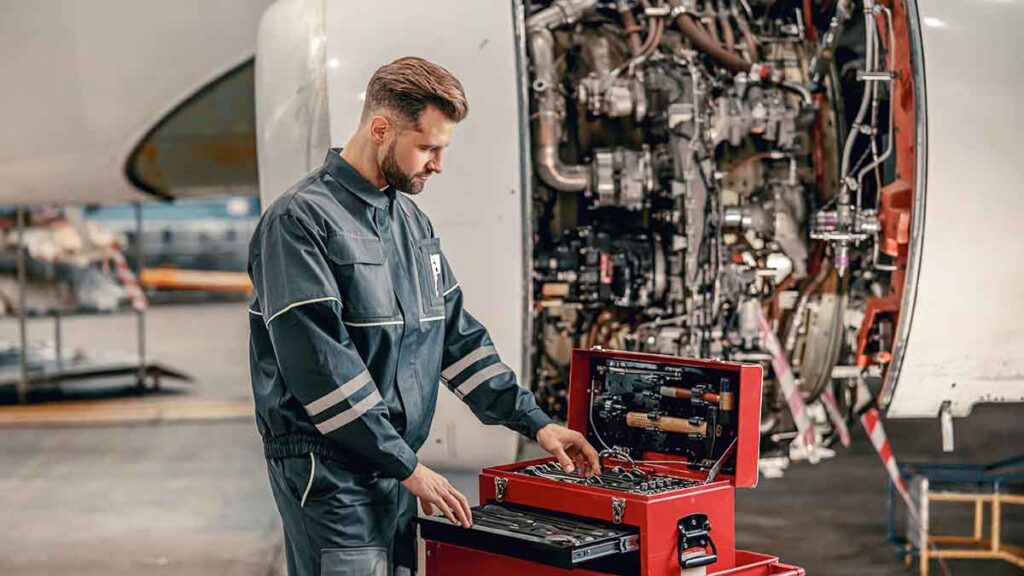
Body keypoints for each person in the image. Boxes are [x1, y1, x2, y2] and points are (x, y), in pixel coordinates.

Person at [247, 56, 600, 576]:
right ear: (381, 128)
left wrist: (536, 422)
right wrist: (407, 464)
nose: (437, 164)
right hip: (328, 473)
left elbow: (456, 338)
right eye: (428, 147)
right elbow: (321, 370)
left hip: (389, 467)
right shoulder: (298, 222)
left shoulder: (410, 221)